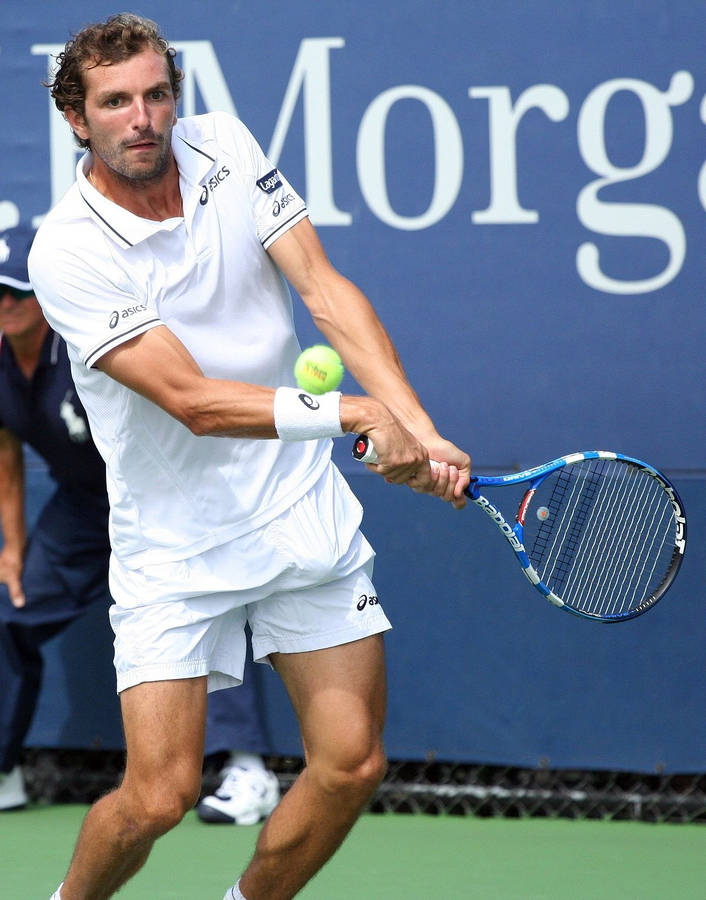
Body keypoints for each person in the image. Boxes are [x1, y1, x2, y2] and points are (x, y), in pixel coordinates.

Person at [29, 13, 470, 900]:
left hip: (296, 509)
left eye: (157, 94)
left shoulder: (225, 146)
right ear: (78, 118)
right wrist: (352, 411)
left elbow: (324, 289)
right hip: (175, 543)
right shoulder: (67, 250)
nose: (142, 118)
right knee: (157, 798)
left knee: (351, 763)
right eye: (115, 103)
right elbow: (192, 402)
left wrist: (415, 424)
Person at [0, 224, 279, 823]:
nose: (6, 304)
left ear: (42, 295)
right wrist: (13, 547)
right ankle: (3, 771)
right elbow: (6, 454)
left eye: (17, 292)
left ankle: (246, 769)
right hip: (81, 508)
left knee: (205, 614)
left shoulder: (88, 340)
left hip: (159, 496)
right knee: (8, 611)